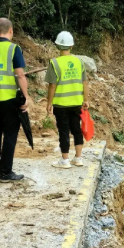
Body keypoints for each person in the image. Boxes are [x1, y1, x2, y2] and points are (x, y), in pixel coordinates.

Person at [0, 18, 30, 183]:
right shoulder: (13, 48)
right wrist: (27, 96)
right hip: (9, 99)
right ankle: (6, 172)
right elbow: (20, 74)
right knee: (10, 135)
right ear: (11, 31)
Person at [45, 31, 90, 169]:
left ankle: (65, 160)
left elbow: (52, 85)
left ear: (58, 46)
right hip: (76, 102)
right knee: (76, 129)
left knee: (64, 130)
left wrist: (49, 102)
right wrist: (86, 100)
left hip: (61, 104)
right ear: (71, 46)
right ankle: (78, 158)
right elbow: (85, 82)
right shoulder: (79, 62)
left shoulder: (54, 63)